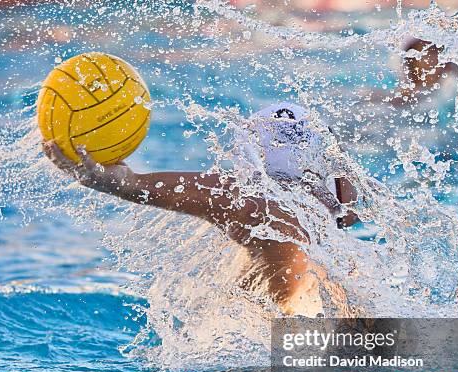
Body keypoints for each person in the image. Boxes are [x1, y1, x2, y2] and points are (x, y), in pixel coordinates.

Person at [43, 102, 357, 317]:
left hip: (280, 368)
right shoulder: (334, 208)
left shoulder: (261, 210)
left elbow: (222, 194)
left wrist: (121, 183)